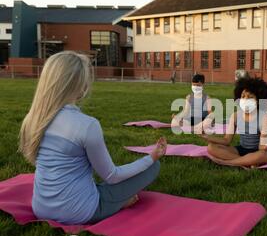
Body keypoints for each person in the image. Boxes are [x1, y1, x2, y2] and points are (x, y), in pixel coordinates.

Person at [18, 51, 167, 225]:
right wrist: (151, 157)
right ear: (80, 85)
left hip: (41, 208)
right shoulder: (87, 125)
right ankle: (117, 205)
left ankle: (112, 201)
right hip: (80, 212)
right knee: (153, 167)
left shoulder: (34, 119)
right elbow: (112, 176)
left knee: (91, 183)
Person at [200, 77, 267, 167]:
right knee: (211, 147)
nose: (245, 99)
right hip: (240, 150)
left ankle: (227, 162)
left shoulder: (264, 117)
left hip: (257, 152)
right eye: (243, 96)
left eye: (250, 97)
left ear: (259, 101)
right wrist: (206, 136)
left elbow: (261, 147)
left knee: (265, 155)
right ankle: (246, 162)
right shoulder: (236, 116)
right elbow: (226, 140)